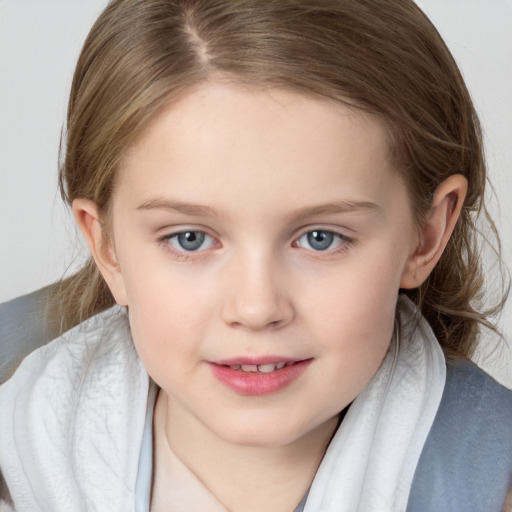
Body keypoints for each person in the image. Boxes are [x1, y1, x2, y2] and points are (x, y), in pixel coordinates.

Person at [1, 0, 511, 510]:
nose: (256, 307)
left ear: (425, 234)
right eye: (190, 239)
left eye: (320, 238)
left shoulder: (492, 484)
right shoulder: (16, 431)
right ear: (106, 246)